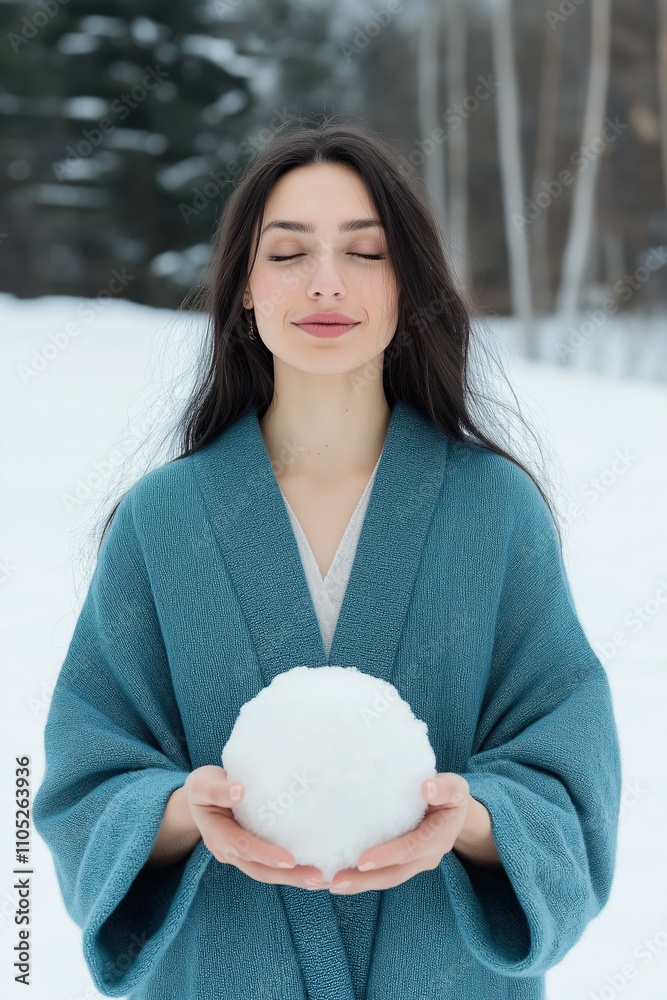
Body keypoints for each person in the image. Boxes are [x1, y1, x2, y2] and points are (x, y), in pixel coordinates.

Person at [33, 117, 622, 1000]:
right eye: (286, 253)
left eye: (365, 252)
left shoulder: (494, 511)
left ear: (406, 282)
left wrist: (467, 818)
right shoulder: (164, 521)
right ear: (242, 287)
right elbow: (87, 776)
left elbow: (568, 772)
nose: (325, 282)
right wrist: (185, 811)